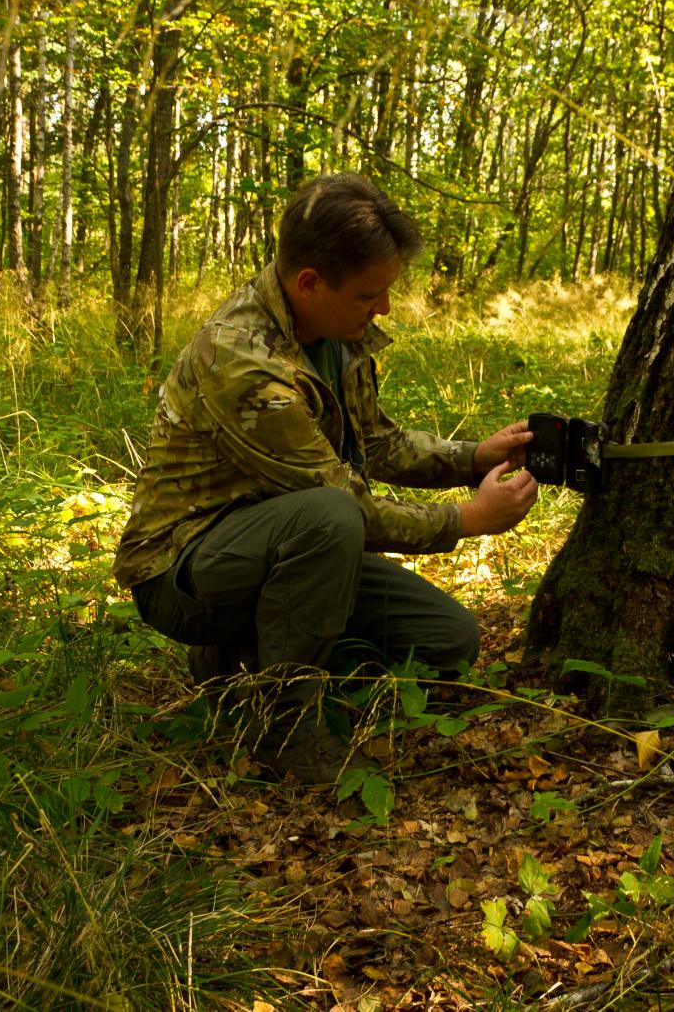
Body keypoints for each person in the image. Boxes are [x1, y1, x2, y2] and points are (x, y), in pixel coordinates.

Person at [115, 173, 539, 786]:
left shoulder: (338, 334)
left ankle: (239, 663)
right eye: (371, 294)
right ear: (309, 282)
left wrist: (472, 456)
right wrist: (468, 519)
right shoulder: (242, 360)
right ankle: (282, 727)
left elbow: (375, 443)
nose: (384, 308)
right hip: (187, 570)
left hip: (293, 545)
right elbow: (346, 505)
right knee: (332, 517)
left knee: (449, 640)